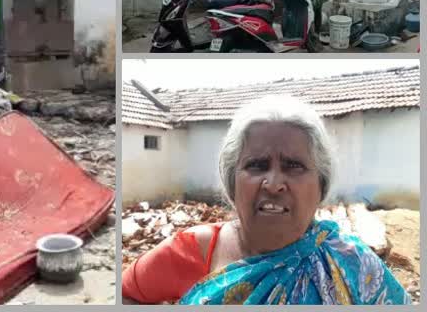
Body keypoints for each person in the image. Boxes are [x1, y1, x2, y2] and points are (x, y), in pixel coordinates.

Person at [122, 96, 410, 305]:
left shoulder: (353, 264)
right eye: (257, 165)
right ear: (231, 182)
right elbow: (125, 295)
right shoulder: (190, 252)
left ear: (320, 186)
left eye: (294, 166)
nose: (273, 184)